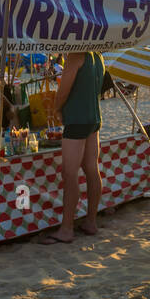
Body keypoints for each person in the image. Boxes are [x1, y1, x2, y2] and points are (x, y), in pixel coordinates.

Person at [43, 50, 105, 244]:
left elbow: (64, 90)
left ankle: (67, 228)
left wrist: (56, 109)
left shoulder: (75, 56)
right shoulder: (98, 56)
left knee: (70, 174)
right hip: (93, 117)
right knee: (92, 170)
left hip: (77, 119)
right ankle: (91, 222)